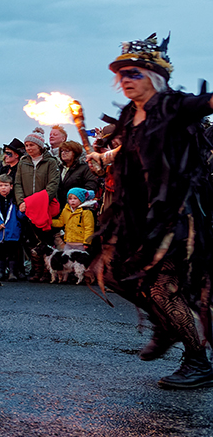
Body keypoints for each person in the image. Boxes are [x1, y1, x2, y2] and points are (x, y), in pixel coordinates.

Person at [86, 34, 213, 388]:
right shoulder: (130, 112)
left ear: (155, 77)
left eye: (135, 73)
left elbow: (205, 103)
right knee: (109, 273)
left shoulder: (172, 104)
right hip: (136, 218)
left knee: (162, 289)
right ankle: (165, 324)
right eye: (122, 74)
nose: (126, 79)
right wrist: (104, 157)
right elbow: (131, 145)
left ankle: (197, 361)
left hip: (173, 218)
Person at [14, 129, 61, 282]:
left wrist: (37, 201)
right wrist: (21, 201)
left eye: (31, 145)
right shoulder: (23, 162)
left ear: (40, 146)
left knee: (45, 240)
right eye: (26, 145)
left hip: (44, 206)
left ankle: (48, 271)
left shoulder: (51, 162)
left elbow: (53, 184)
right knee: (31, 240)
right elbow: (18, 183)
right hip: (27, 207)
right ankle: (37, 270)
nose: (28, 148)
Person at [0, 174, 23, 281]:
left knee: (13, 254)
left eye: (6, 185)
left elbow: (19, 215)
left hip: (12, 231)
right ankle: (0, 272)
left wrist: (22, 212)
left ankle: (12, 273)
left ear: (11, 186)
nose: (3, 188)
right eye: (1, 185)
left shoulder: (15, 199)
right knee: (0, 254)